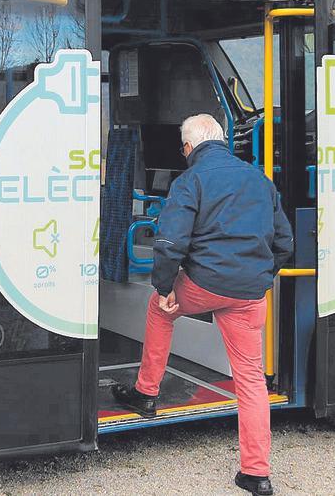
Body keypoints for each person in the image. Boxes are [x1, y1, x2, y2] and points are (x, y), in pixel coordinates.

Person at [112, 113, 293, 496]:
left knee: (159, 310)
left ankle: (146, 393)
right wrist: (260, 277)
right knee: (251, 379)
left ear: (189, 147)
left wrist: (165, 286)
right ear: (222, 140)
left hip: (204, 284)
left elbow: (170, 242)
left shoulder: (190, 180)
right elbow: (285, 242)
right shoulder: (259, 180)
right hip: (249, 293)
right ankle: (256, 474)